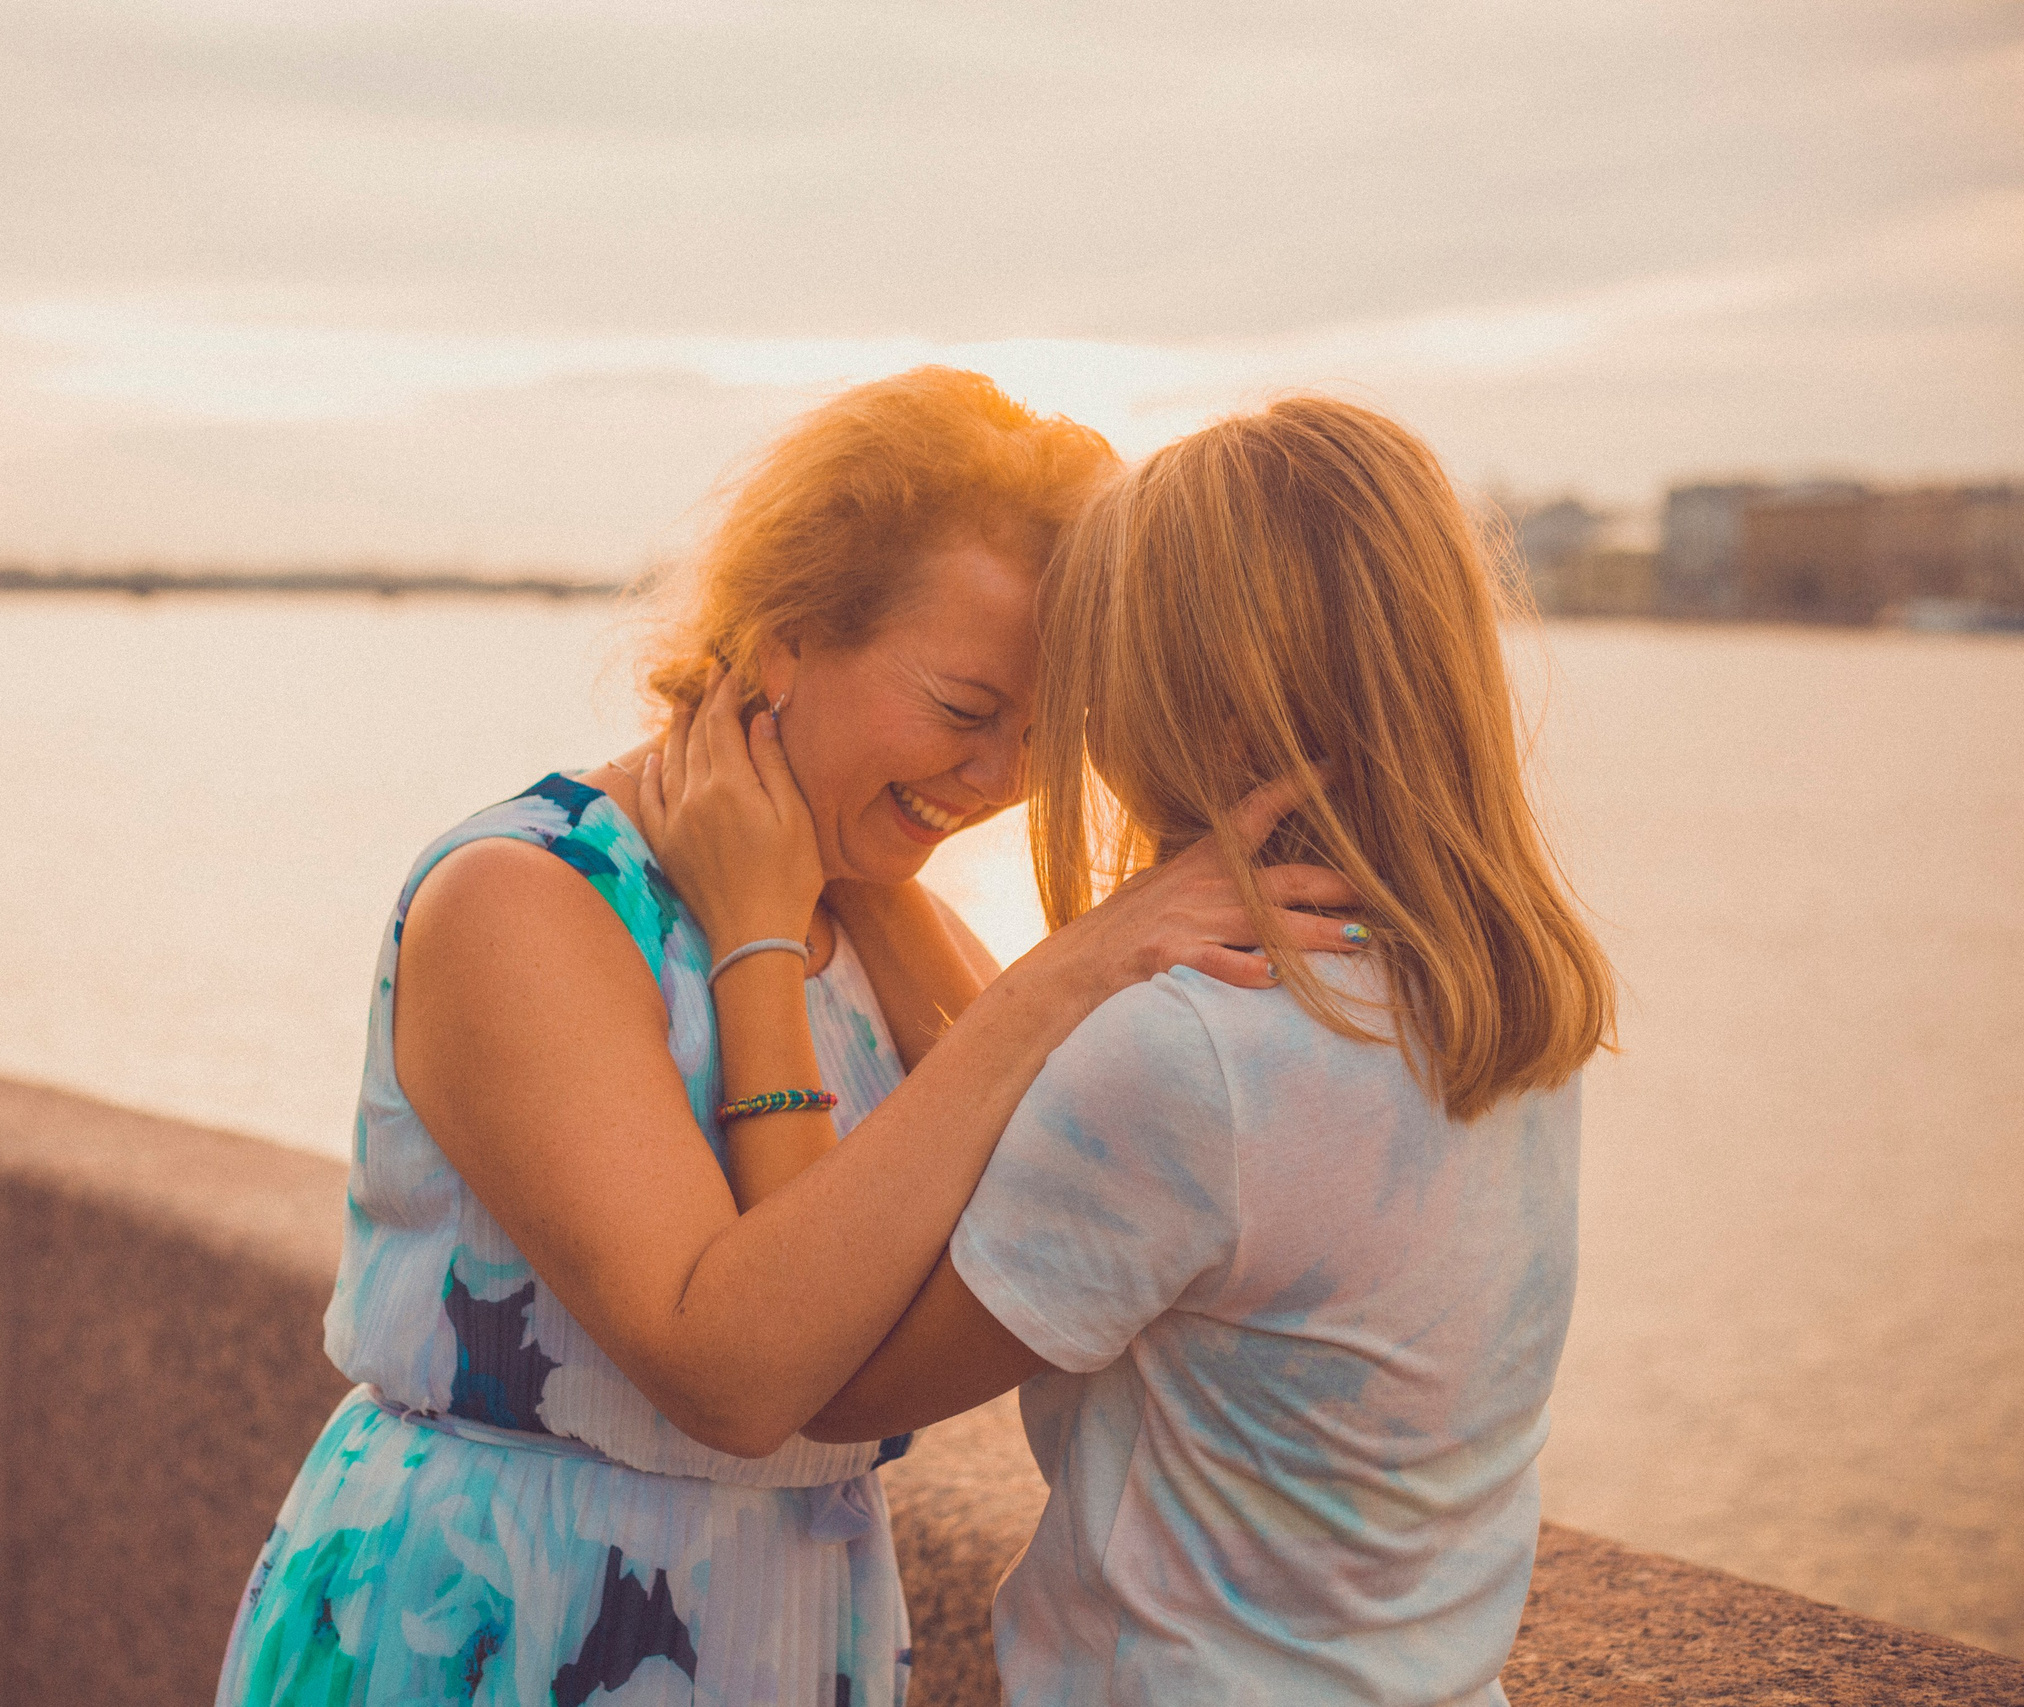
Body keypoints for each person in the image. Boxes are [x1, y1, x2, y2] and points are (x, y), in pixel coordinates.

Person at [212, 369, 1368, 1706]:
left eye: (1050, 735)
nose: (997, 779)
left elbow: (1050, 1188)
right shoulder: (529, 900)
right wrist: (1071, 973)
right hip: (491, 1623)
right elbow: (737, 1374)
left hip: (792, 1620)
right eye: (963, 708)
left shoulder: (875, 912)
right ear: (785, 639)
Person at [669, 395, 1617, 1704]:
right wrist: (878, 863)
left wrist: (764, 923)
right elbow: (1039, 1109)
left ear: (1183, 701)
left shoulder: (1195, 1061)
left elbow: (816, 1368)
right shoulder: (1495, 1006)